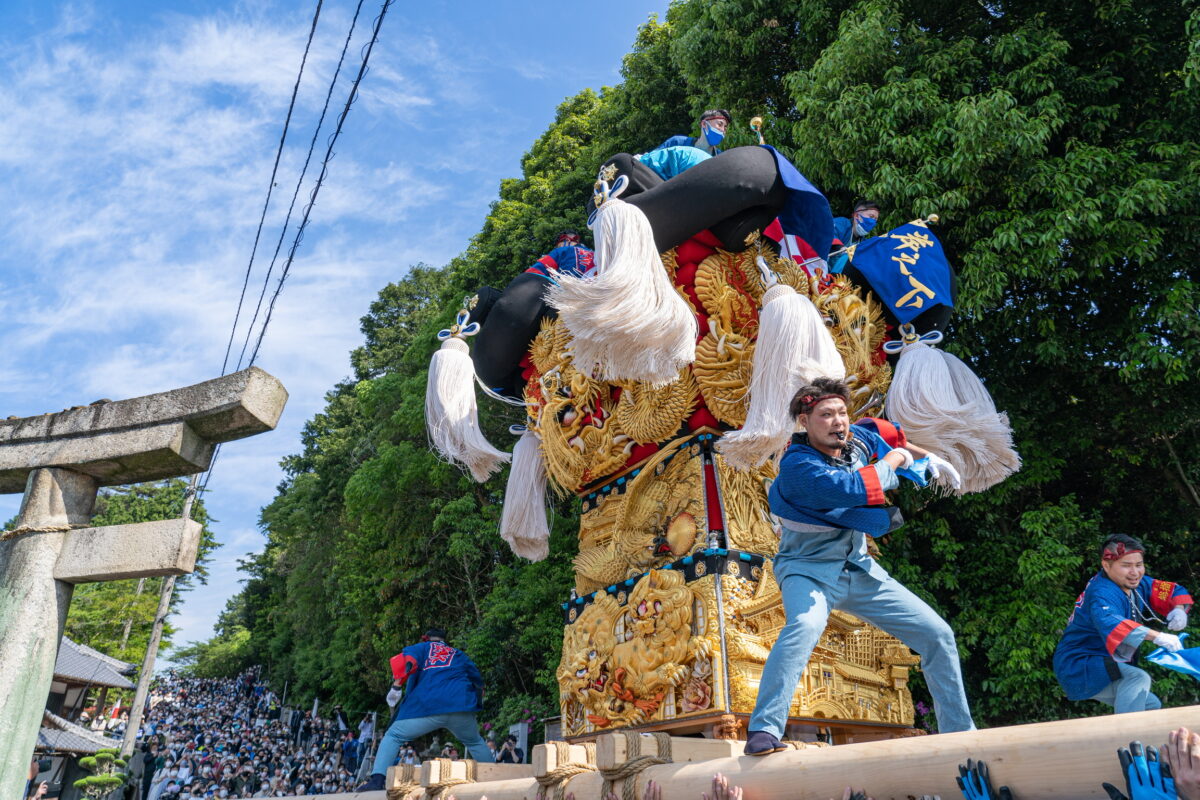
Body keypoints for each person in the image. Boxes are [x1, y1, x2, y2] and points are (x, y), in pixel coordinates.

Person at [744, 377, 972, 756]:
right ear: (804, 420)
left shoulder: (855, 441)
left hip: (860, 570)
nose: (838, 422)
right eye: (826, 415)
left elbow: (887, 434)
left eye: (842, 413)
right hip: (807, 569)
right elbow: (853, 488)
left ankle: (960, 736)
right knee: (804, 626)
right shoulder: (798, 466)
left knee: (938, 635)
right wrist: (898, 461)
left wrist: (925, 455)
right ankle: (763, 732)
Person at [1053, 533, 1191, 714]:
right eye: (1126, 566)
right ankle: (1128, 741)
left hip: (1103, 662)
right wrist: (1159, 637)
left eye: (1139, 565)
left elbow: (1171, 590)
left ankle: (1120, 739)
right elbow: (1112, 623)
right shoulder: (1101, 591)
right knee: (1138, 678)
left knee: (1151, 705)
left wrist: (1179, 609)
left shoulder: (1137, 582)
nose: (1135, 572)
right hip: (1081, 663)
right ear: (1106, 565)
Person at [355, 628, 492, 790]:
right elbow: (478, 682)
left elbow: (408, 663)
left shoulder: (421, 647)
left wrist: (396, 688)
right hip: (460, 705)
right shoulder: (458, 654)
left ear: (426, 638)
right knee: (474, 741)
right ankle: (496, 776)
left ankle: (377, 780)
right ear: (444, 640)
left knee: (393, 735)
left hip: (427, 705)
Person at [829, 201, 880, 273]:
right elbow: (827, 233)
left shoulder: (863, 242)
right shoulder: (842, 223)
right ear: (856, 216)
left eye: (875, 219)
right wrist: (840, 247)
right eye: (871, 217)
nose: (873, 222)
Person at [655, 109, 732, 156]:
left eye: (725, 127)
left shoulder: (719, 158)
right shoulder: (677, 143)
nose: (723, 130)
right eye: (720, 124)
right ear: (704, 124)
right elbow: (650, 160)